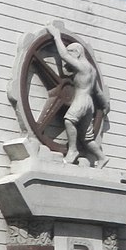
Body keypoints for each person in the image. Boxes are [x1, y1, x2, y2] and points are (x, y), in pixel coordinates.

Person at [49, 22, 109, 168]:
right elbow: (97, 91)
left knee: (69, 120)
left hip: (81, 99)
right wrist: (105, 104)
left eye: (72, 52)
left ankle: (73, 150)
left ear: (77, 52)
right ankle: (101, 157)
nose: (69, 55)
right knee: (86, 137)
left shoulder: (82, 66)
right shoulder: (92, 70)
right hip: (90, 104)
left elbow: (63, 55)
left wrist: (56, 36)